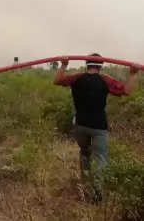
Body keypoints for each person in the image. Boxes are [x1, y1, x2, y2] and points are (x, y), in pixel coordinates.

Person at [53, 53, 139, 203]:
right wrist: (132, 74)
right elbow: (127, 91)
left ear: (86, 64)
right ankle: (98, 193)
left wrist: (64, 65)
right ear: (101, 66)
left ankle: (85, 185)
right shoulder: (106, 80)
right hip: (99, 126)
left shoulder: (76, 77)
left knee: (84, 152)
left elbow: (57, 80)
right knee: (100, 159)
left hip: (80, 124)